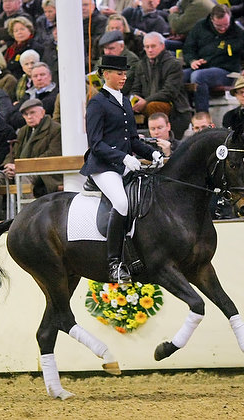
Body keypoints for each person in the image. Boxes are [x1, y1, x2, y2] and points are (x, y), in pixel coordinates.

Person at [80, 55, 162, 285]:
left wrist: (151, 153)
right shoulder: (97, 103)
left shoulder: (125, 101)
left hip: (123, 164)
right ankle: (114, 263)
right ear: (106, 74)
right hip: (103, 166)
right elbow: (95, 143)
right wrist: (124, 157)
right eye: (119, 73)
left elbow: (133, 139)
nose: (123, 77)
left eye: (125, 73)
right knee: (122, 202)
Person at [182, 4, 244, 112]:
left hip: (227, 72)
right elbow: (188, 48)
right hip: (202, 66)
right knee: (178, 76)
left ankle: (202, 116)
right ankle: (186, 114)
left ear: (230, 18)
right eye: (219, 26)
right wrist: (192, 61)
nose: (223, 28)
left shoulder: (238, 31)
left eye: (225, 25)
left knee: (198, 77)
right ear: (212, 19)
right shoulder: (200, 26)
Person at [130, 31, 191, 139]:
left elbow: (169, 92)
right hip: (146, 104)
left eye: (153, 46)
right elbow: (136, 87)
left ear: (162, 46)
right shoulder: (141, 64)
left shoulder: (173, 64)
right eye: (147, 47)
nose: (149, 50)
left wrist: (146, 101)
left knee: (153, 106)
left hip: (175, 108)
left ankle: (156, 136)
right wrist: (136, 98)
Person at [1, 98, 61, 198]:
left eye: (32, 113)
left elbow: (51, 155)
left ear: (43, 112)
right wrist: (8, 165)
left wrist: (22, 168)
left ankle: (28, 212)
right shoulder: (23, 131)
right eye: (26, 114)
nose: (29, 117)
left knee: (23, 178)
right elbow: (14, 152)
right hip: (21, 170)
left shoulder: (55, 129)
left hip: (46, 174)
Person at [96, 30, 139, 96]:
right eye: (105, 49)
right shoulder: (102, 60)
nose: (107, 52)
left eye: (111, 48)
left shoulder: (131, 60)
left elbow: (123, 86)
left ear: (122, 46)